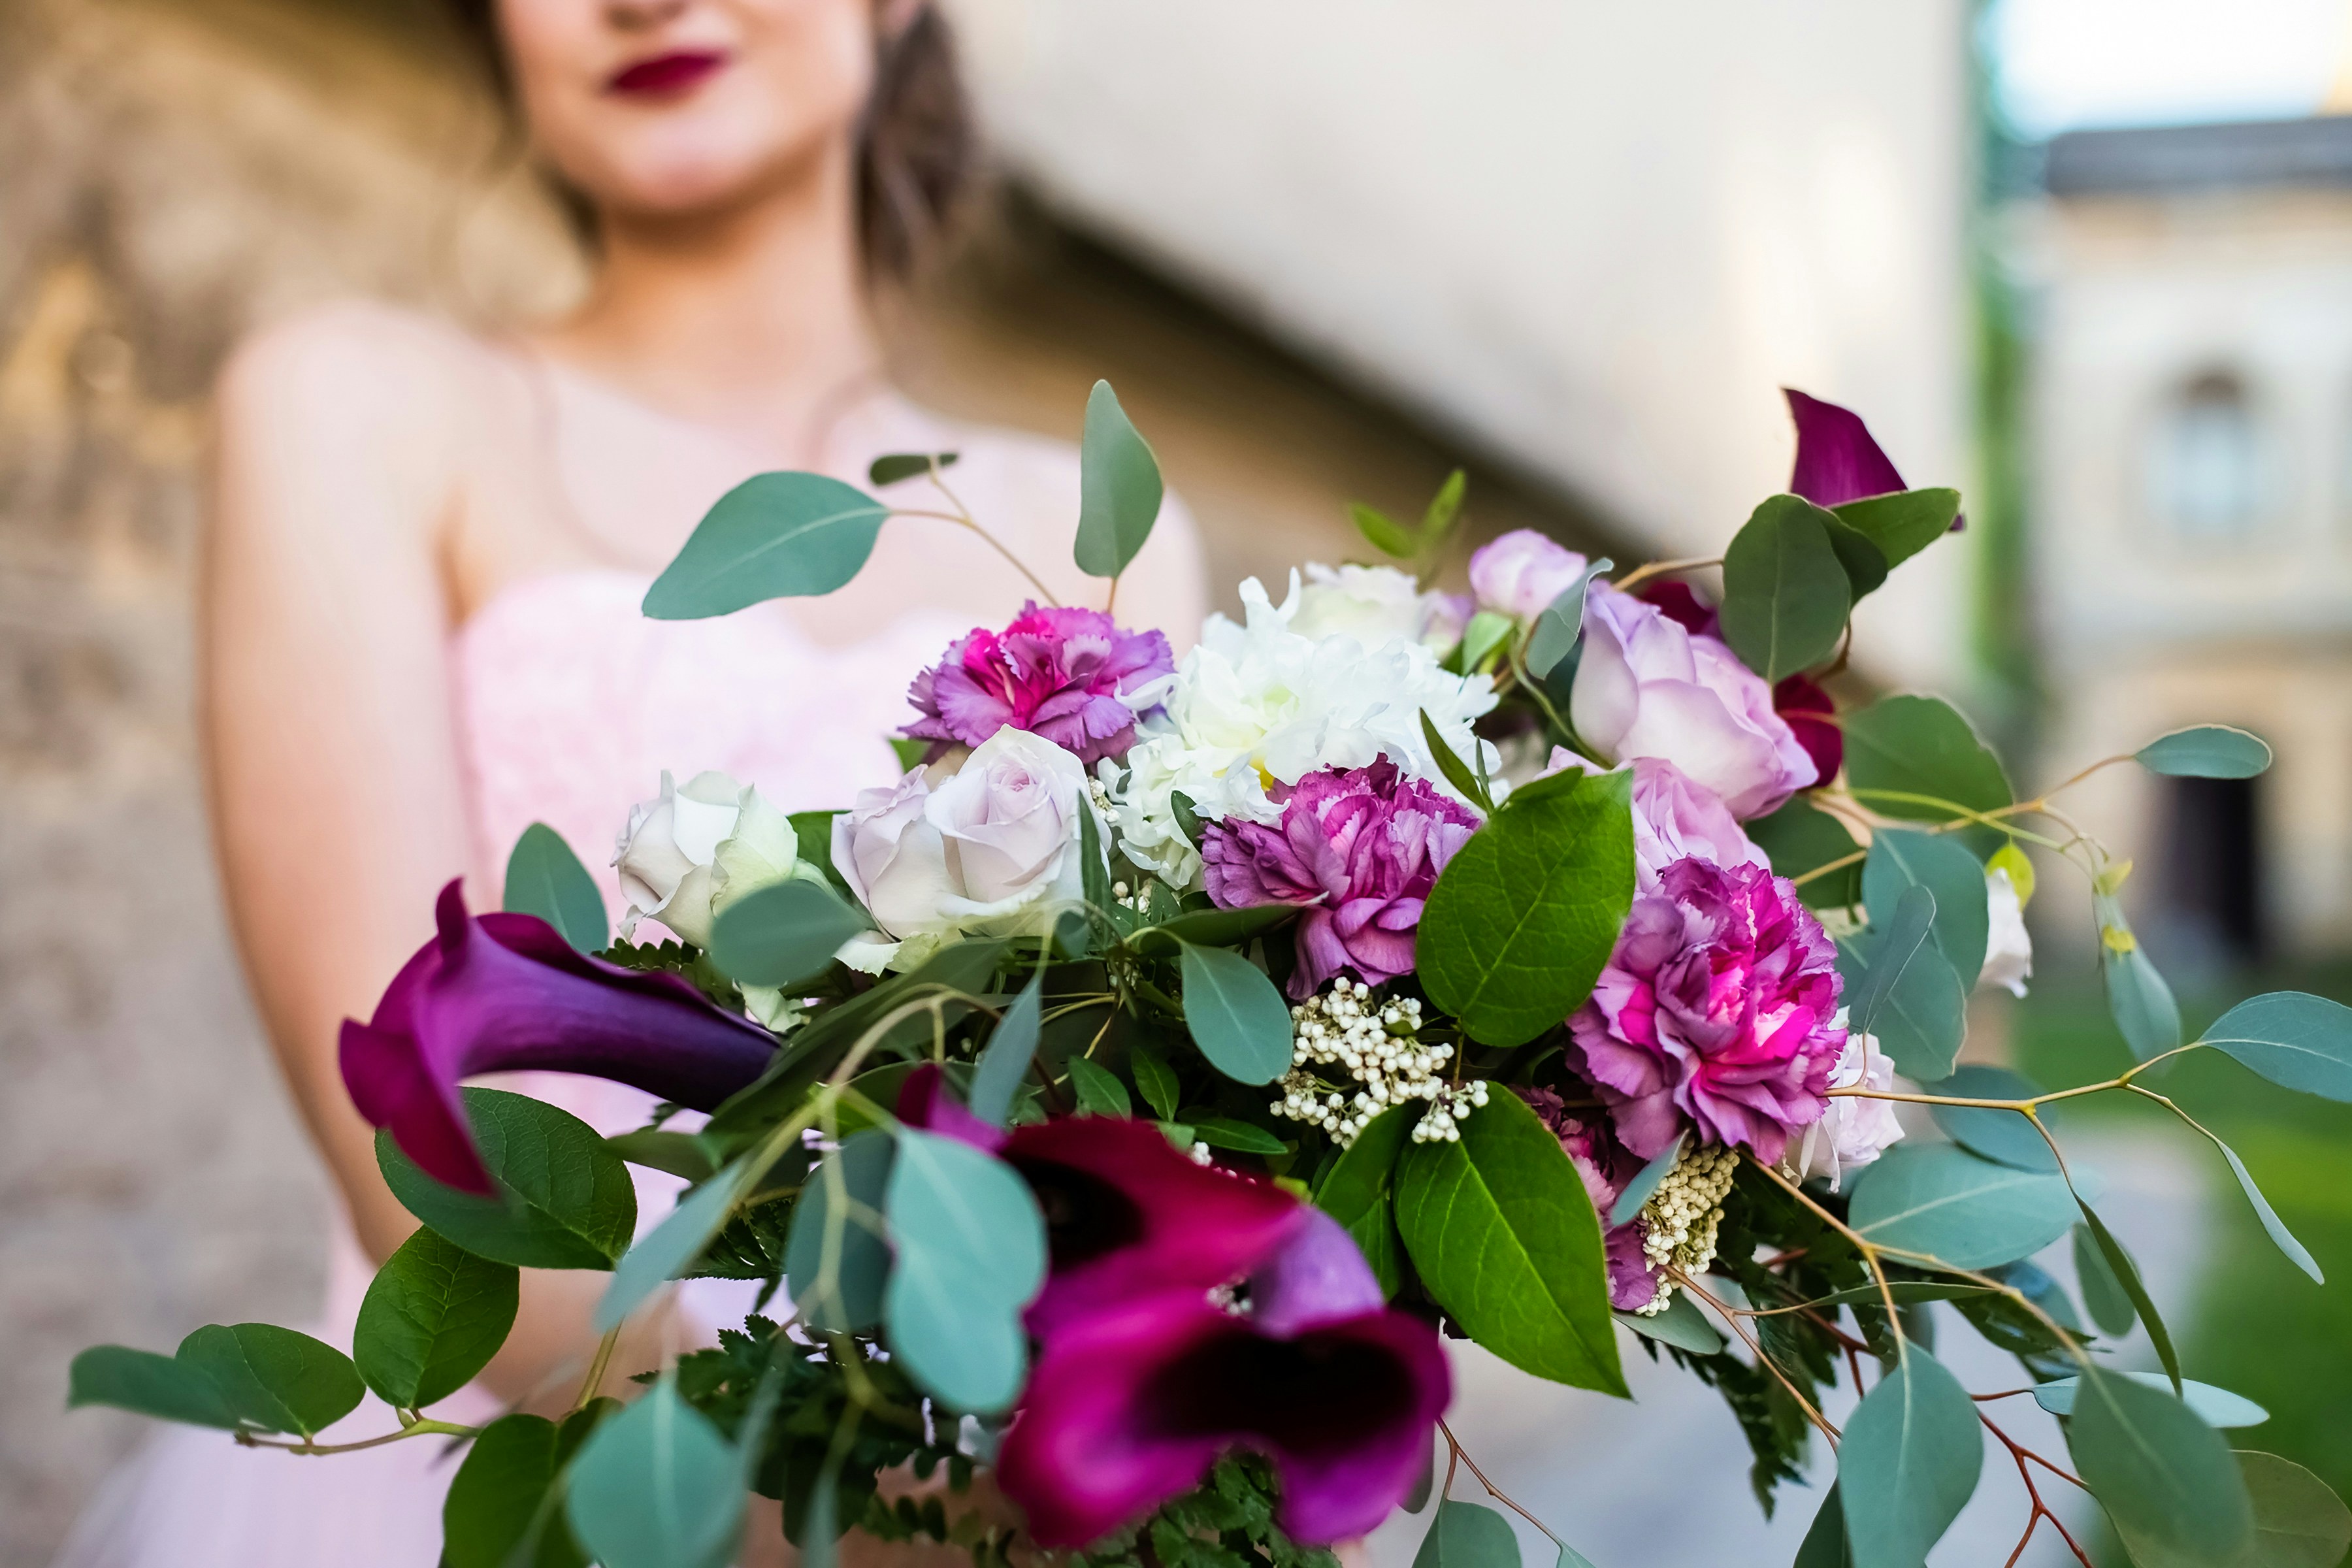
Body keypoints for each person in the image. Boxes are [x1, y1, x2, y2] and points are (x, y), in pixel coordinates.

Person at [54, 1, 1205, 1561]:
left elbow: (1126, 1151)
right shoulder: (362, 409)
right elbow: (455, 1187)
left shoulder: (1100, 525)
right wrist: (944, 1472)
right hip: (533, 1489)